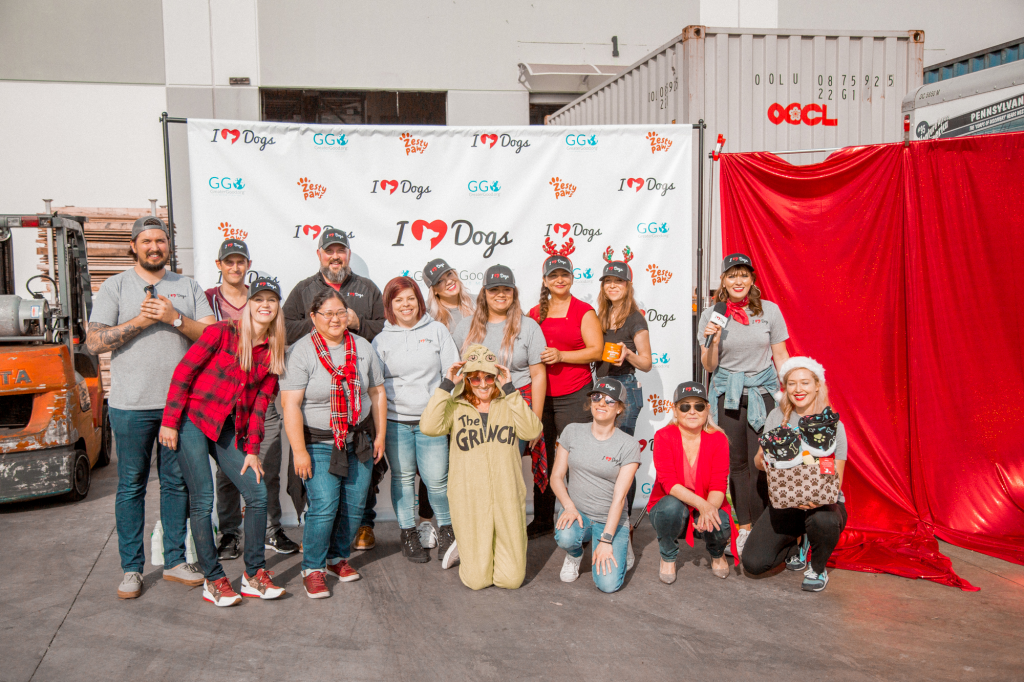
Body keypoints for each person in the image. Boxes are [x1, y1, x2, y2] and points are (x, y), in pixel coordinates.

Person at [86, 216, 215, 600]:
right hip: (130, 406)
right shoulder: (115, 287)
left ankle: (174, 560)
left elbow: (210, 336)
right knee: (131, 486)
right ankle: (132, 569)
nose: (154, 247)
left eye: (160, 240)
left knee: (176, 484)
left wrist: (174, 318)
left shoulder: (187, 286)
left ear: (167, 247)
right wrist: (142, 320)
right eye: (147, 241)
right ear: (134, 246)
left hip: (179, 406)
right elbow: (95, 342)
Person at [158, 276, 287, 606]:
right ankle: (214, 580)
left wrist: (253, 451)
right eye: (259, 299)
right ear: (249, 305)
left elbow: (261, 405)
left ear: (277, 308)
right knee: (202, 498)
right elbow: (183, 373)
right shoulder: (221, 332)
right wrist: (170, 423)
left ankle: (253, 575)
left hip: (228, 428)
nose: (265, 305)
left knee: (257, 492)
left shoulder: (272, 352)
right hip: (192, 420)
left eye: (271, 300)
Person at [281, 227, 386, 551]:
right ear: (320, 255)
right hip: (318, 398)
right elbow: (284, 327)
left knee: (363, 480)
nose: (335, 256)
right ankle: (318, 548)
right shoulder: (303, 289)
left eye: (341, 250)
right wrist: (326, 321)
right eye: (329, 251)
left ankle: (364, 526)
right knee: (323, 494)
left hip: (359, 389)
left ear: (348, 254)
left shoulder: (367, 288)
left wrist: (356, 323)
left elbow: (383, 329)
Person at [420, 345, 542, 590]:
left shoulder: (509, 403)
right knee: (477, 581)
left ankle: (484, 550)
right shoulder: (455, 406)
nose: (483, 383)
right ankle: (466, 547)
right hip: (469, 497)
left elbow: (532, 431)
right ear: (467, 380)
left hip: (507, 495)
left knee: (511, 580)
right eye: (475, 378)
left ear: (497, 378)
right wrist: (446, 385)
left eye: (489, 377)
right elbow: (429, 427)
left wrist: (510, 390)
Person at [204, 239, 298, 561]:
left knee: (266, 464)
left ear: (248, 264)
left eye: (240, 261)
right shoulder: (209, 301)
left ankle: (270, 529)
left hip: (261, 402)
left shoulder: (262, 301)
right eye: (228, 261)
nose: (235, 266)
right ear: (219, 265)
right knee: (228, 473)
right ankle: (229, 532)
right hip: (229, 407)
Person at [698, 253, 790, 558]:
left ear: (752, 280)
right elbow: (709, 366)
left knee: (762, 463)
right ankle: (746, 527)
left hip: (763, 395)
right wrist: (712, 339)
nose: (738, 281)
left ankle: (768, 527)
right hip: (728, 397)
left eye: (743, 275)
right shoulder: (713, 314)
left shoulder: (770, 312)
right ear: (723, 281)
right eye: (731, 275)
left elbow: (781, 355)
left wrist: (790, 395)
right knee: (736, 464)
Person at [372, 276, 460, 566]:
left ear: (419, 301)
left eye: (410, 298)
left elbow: (452, 372)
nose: (405, 305)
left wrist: (440, 407)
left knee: (436, 481)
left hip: (431, 422)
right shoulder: (381, 340)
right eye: (398, 300)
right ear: (390, 305)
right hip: (396, 422)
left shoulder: (436, 331)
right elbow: (376, 386)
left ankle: (448, 530)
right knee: (404, 479)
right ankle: (408, 532)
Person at [742, 358, 848, 592]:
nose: (798, 389)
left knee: (824, 520)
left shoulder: (832, 425)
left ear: (817, 385)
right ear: (786, 387)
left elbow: (836, 475)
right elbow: (758, 462)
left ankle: (818, 567)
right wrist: (766, 458)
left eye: (804, 383)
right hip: (785, 502)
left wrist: (817, 497)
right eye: (792, 383)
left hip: (822, 503)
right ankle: (797, 543)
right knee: (753, 563)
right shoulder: (777, 417)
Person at [527, 249, 604, 537]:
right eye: (553, 275)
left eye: (564, 274)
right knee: (542, 457)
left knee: (577, 459)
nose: (559, 279)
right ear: (545, 281)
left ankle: (581, 518)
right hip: (542, 396)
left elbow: (596, 351)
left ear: (571, 278)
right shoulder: (534, 313)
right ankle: (544, 519)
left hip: (575, 394)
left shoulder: (583, 310)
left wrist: (562, 356)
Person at [453, 264, 548, 494]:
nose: (501, 294)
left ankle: (508, 523)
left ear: (514, 292)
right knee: (479, 470)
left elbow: (538, 375)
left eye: (506, 288)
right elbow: (456, 372)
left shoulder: (529, 326)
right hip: (476, 409)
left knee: (508, 469)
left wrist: (535, 422)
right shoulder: (465, 327)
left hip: (517, 405)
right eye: (494, 289)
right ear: (484, 293)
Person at [550, 378, 640, 594]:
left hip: (610, 520)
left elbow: (619, 498)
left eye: (610, 401)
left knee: (607, 585)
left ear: (619, 408)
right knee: (565, 536)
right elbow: (556, 476)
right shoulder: (572, 431)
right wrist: (569, 506)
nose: (601, 403)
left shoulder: (628, 445)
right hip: (578, 513)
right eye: (597, 397)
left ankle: (622, 543)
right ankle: (575, 554)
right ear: (590, 402)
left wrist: (607, 540)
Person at [646, 382, 733, 584]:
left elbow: (719, 486)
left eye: (698, 406)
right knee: (670, 506)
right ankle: (667, 554)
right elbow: (669, 484)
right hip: (675, 507)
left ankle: (717, 551)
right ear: (675, 410)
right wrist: (702, 505)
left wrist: (707, 510)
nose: (692, 411)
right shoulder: (664, 436)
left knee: (721, 520)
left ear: (707, 409)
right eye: (685, 406)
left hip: (705, 505)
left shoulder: (718, 439)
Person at [595, 250, 652, 515]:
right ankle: (607, 513)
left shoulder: (635, 318)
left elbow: (647, 363)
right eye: (608, 282)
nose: (612, 286)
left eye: (618, 281)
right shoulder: (601, 316)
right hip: (601, 388)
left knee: (623, 459)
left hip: (625, 388)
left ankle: (625, 517)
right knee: (604, 457)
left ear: (627, 286)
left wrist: (628, 354)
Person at [423, 257, 475, 333]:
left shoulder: (479, 302)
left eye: (449, 274)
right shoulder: (427, 315)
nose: (449, 281)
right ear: (434, 290)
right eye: (440, 281)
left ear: (455, 274)